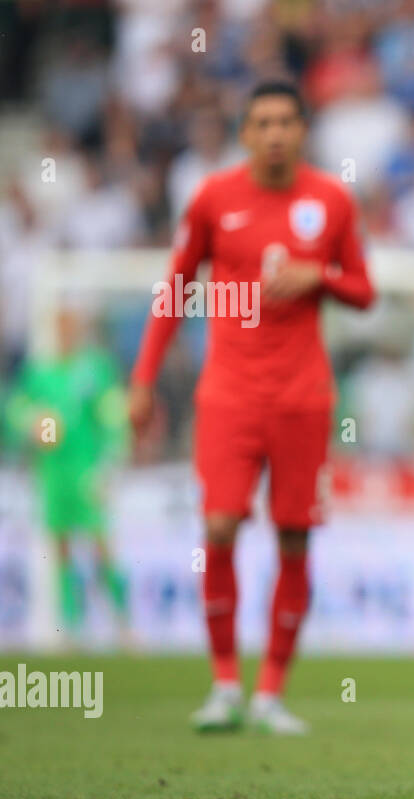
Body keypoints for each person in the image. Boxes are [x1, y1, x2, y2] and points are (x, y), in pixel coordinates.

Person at [129, 80, 375, 734]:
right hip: (229, 395)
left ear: (302, 130)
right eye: (262, 122)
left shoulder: (330, 200)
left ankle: (270, 692)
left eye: (286, 122)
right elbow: (176, 287)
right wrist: (143, 378)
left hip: (303, 399)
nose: (274, 133)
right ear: (244, 133)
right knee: (219, 526)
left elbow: (363, 290)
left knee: (293, 538)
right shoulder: (214, 198)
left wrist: (316, 276)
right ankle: (224, 685)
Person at [4, 304, 131, 646]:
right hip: (53, 474)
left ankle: (124, 626)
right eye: (60, 326)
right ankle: (71, 631)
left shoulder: (94, 370)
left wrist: (111, 462)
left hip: (86, 472)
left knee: (101, 548)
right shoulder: (39, 373)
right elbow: (16, 411)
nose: (65, 333)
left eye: (70, 326)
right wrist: (32, 423)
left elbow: (112, 415)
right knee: (61, 552)